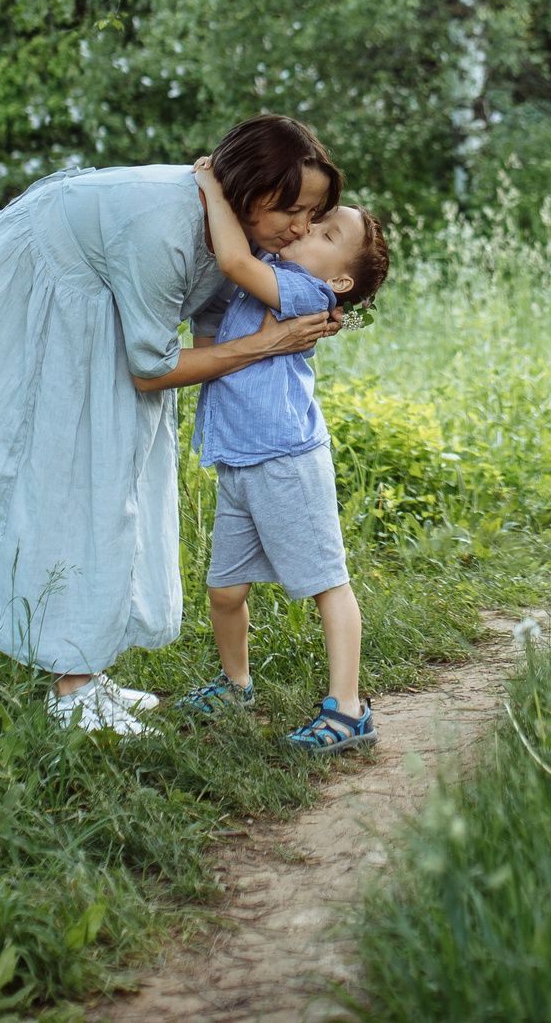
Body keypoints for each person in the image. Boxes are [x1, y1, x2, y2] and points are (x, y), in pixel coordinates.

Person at [0, 116, 346, 735]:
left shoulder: (240, 235)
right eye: (292, 210)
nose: (302, 229)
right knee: (68, 473)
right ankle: (72, 691)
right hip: (25, 285)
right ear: (249, 188)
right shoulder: (166, 229)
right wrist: (270, 345)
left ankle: (86, 668)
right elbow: (153, 370)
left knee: (119, 468)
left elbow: (216, 334)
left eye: (313, 214)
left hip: (88, 291)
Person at [173, 156, 391, 753]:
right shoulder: (277, 270)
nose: (304, 230)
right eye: (309, 218)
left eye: (324, 233)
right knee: (224, 589)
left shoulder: (305, 290)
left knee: (326, 582)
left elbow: (232, 259)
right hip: (240, 462)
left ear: (340, 282)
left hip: (287, 462)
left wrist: (215, 187)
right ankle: (236, 684)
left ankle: (348, 710)